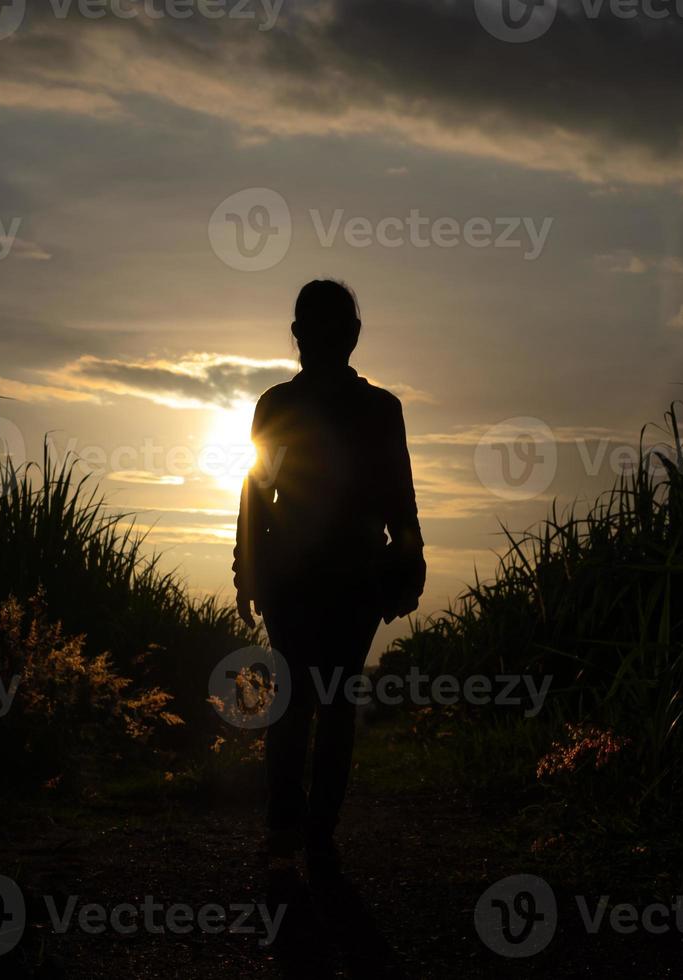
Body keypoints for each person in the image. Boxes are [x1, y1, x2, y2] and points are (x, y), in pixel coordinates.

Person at [233, 279, 426, 869]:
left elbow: (400, 500)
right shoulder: (346, 407)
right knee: (323, 700)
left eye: (317, 326)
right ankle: (305, 831)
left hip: (329, 578)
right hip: (323, 579)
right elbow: (256, 492)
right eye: (306, 326)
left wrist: (409, 561)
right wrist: (247, 570)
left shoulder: (308, 406)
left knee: (308, 700)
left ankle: (299, 831)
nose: (307, 336)